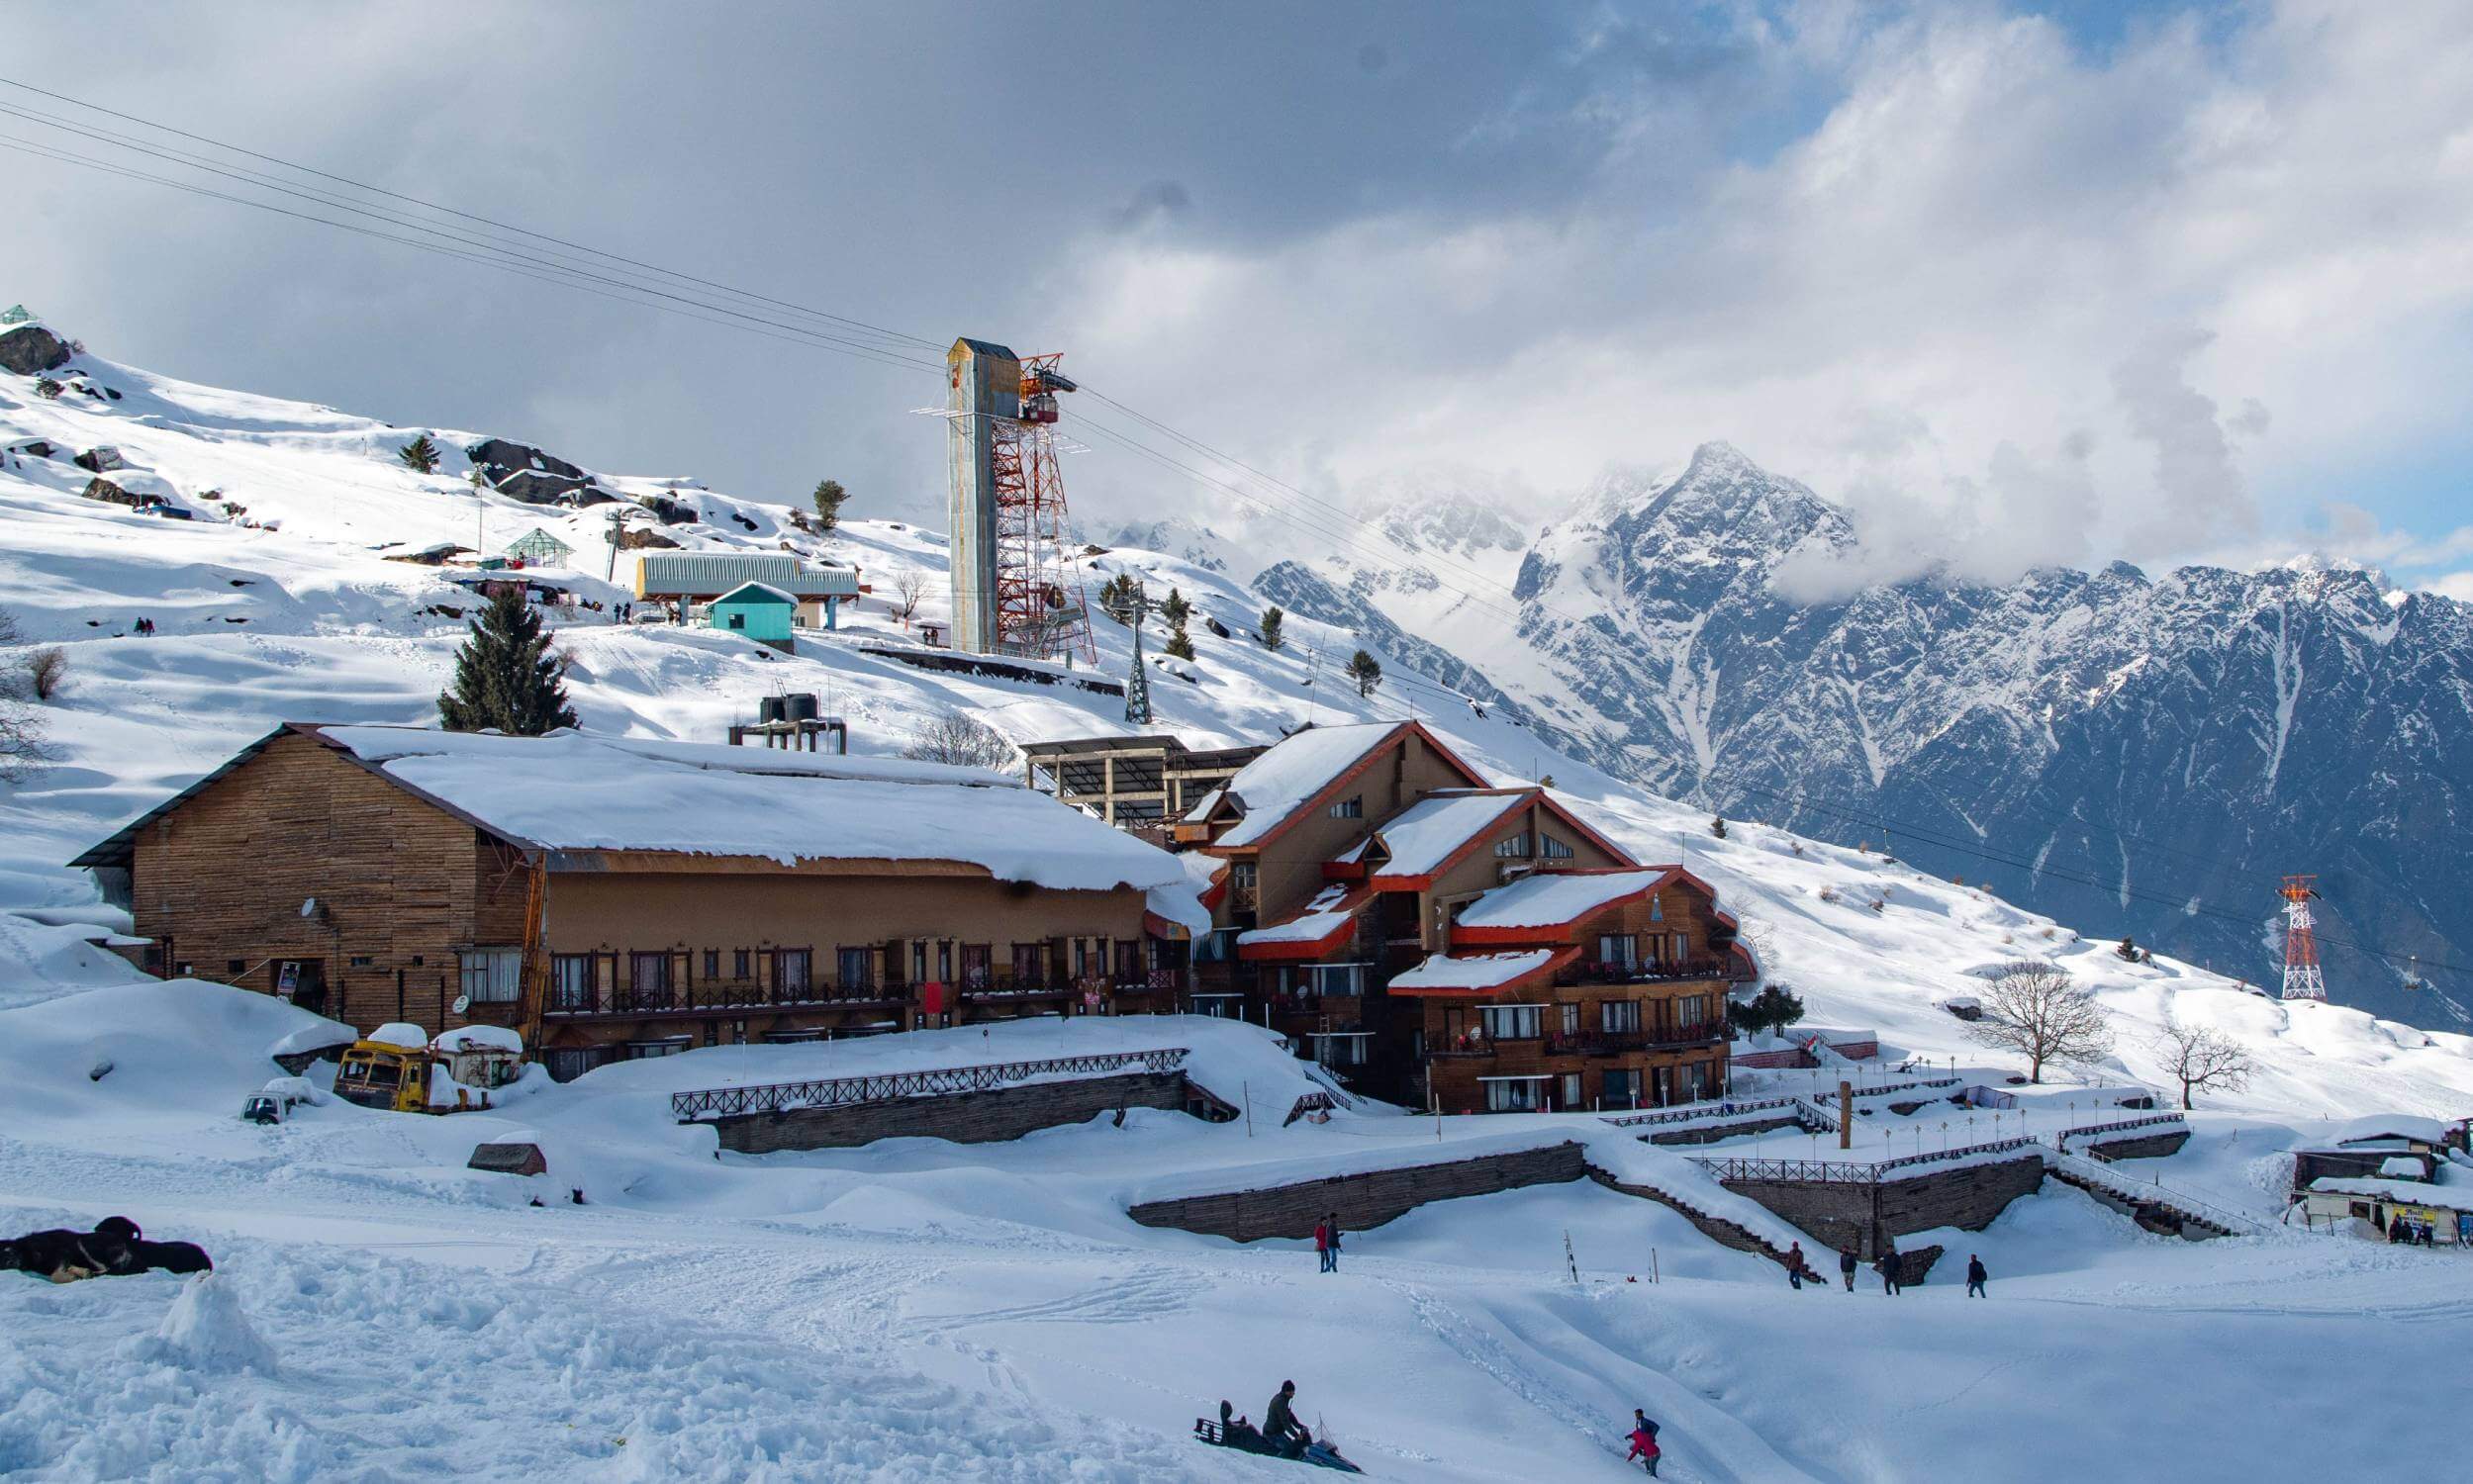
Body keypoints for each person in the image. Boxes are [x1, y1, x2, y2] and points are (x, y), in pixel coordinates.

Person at [1264, 1380, 1310, 1460]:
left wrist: (1299, 1426)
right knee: (1289, 1449)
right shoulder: (1280, 1402)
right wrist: (1296, 1435)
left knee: (1293, 1445)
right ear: (1287, 1391)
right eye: (1292, 1391)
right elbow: (1285, 1422)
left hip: (1278, 1432)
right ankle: (1277, 1462)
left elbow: (1289, 1415)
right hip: (1272, 1434)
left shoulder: (1283, 1399)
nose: (1294, 1393)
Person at [1626, 1409, 1663, 1476]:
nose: (1636, 1416)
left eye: (1637, 1414)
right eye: (1635, 1414)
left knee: (1648, 1456)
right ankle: (1644, 1455)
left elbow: (1657, 1427)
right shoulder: (1638, 1422)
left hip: (1648, 1442)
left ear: (1641, 1414)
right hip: (1641, 1442)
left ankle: (1650, 1470)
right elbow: (1638, 1432)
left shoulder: (1645, 1421)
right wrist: (1630, 1436)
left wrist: (1652, 1436)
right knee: (1632, 1447)